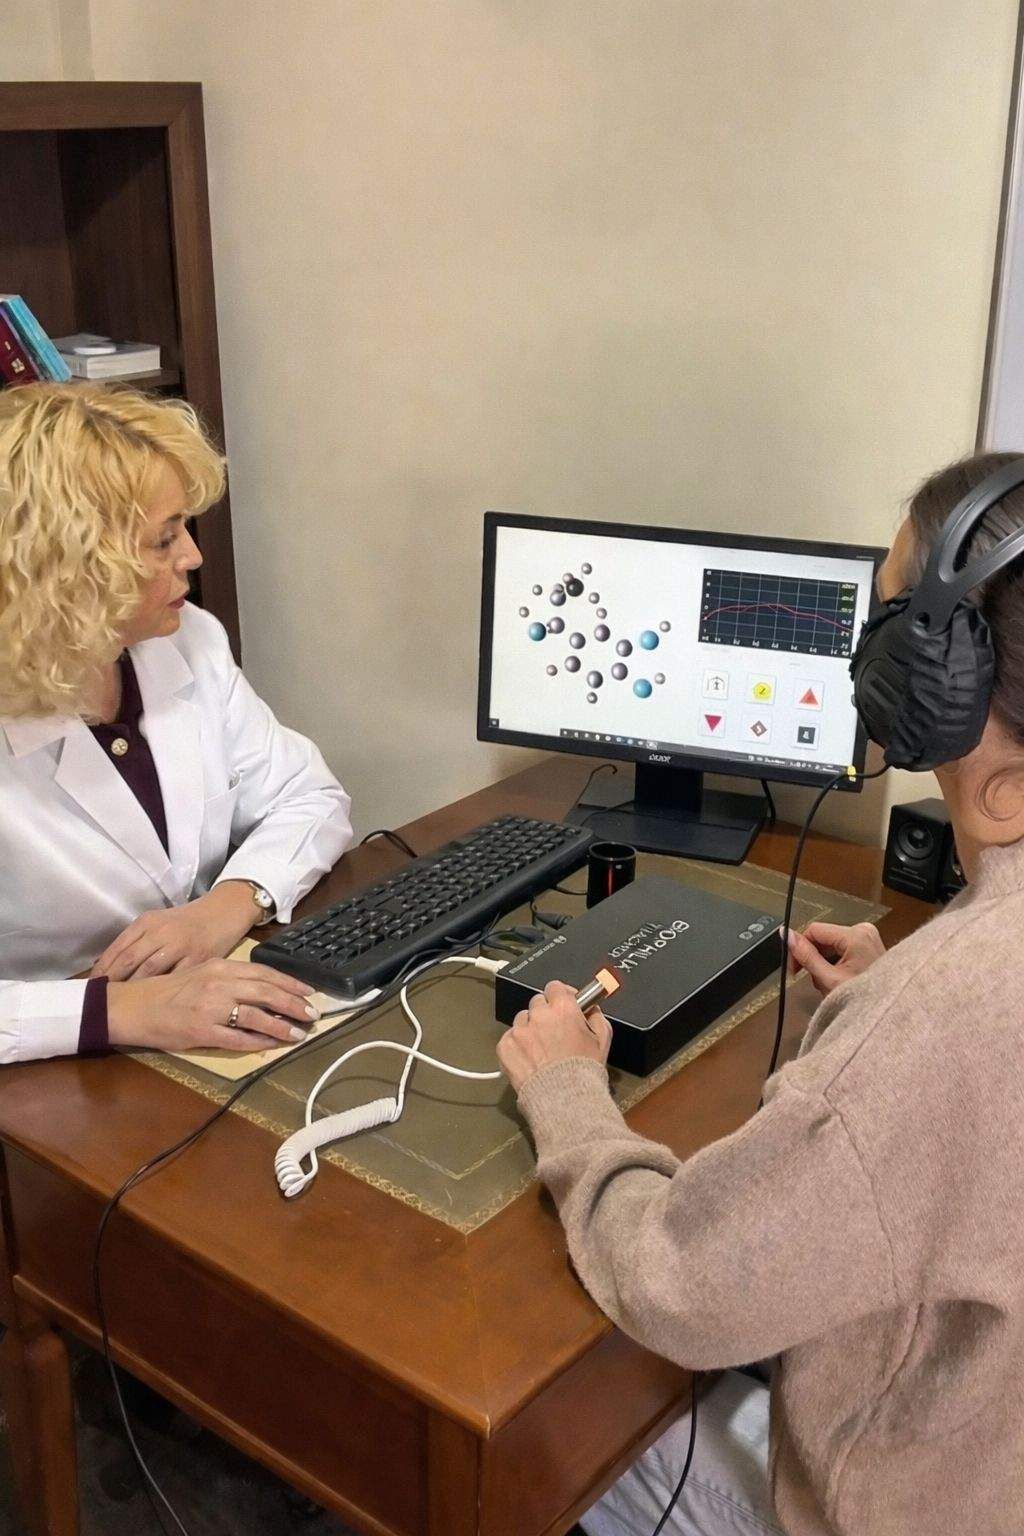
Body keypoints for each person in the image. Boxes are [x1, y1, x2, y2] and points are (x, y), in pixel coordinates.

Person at [497, 452, 1024, 1536]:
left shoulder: (944, 1015)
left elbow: (683, 1287)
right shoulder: (955, 992)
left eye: (886, 623)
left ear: (938, 677)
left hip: (912, 1503)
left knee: (546, 1450)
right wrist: (902, 1003)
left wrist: (568, 1097)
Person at [0, 383, 352, 1064]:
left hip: (204, 1014)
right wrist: (123, 1009)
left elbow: (310, 796)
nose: (191, 557)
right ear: (65, 568)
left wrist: (226, 905)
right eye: (164, 541)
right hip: (48, 1074)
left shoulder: (186, 639)